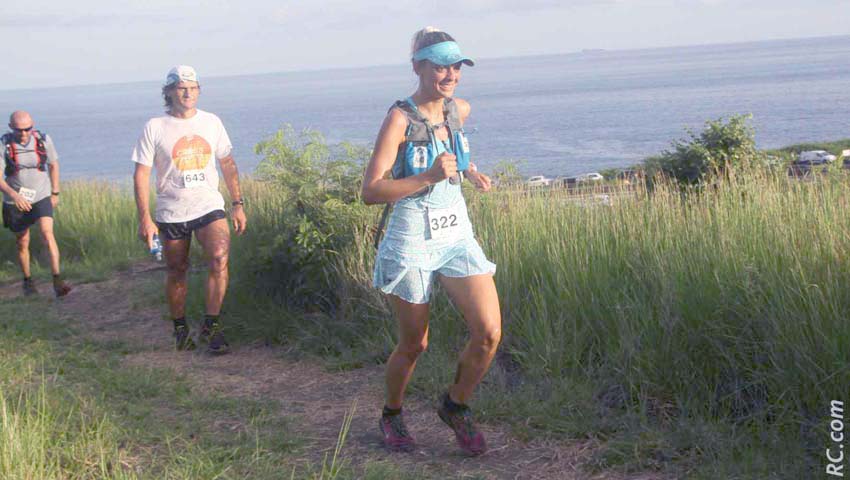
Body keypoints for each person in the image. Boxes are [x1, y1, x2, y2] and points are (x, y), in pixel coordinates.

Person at [361, 27, 501, 456]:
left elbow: (450, 150)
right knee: (415, 342)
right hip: (411, 233)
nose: (450, 74)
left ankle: (455, 406)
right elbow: (371, 190)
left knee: (489, 332)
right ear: (418, 66)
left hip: (455, 230)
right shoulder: (399, 118)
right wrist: (426, 177)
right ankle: (392, 413)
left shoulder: (460, 109)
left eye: (456, 65)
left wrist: (469, 169)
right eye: (440, 65)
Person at [132, 65, 247, 355]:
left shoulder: (211, 122)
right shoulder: (155, 127)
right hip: (172, 210)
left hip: (209, 205)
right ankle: (180, 328)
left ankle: (212, 326)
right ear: (169, 92)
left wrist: (237, 204)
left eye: (193, 87)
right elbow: (141, 174)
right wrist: (145, 218)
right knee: (176, 269)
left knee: (220, 259)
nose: (188, 93)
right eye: (182, 87)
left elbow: (228, 163)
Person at [1, 111, 71, 297]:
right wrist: (14, 196)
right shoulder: (4, 144)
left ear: (32, 126)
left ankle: (57, 279)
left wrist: (55, 192)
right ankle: (28, 281)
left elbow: (53, 165)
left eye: (27, 129)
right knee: (22, 241)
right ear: (11, 127)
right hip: (15, 199)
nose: (23, 134)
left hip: (41, 194)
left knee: (47, 233)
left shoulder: (43, 140)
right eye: (19, 130)